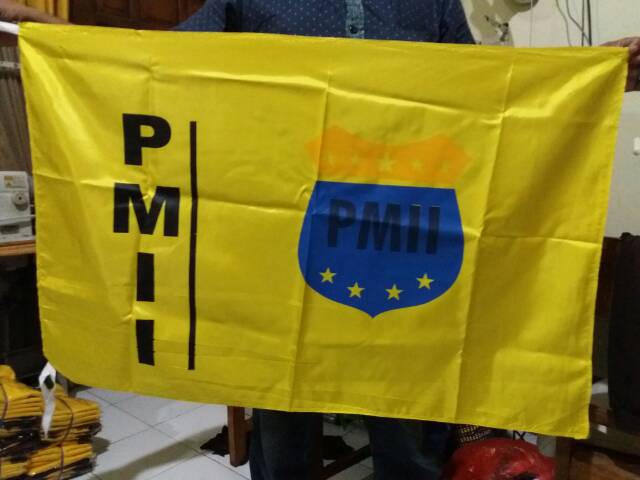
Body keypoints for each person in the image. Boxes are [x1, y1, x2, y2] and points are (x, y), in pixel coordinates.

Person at [1, 1, 639, 479]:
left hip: (404, 242)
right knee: (283, 428)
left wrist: (597, 74)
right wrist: (43, 31)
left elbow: (495, 97)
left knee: (411, 427)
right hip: (278, 248)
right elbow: (151, 64)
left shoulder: (431, 2)